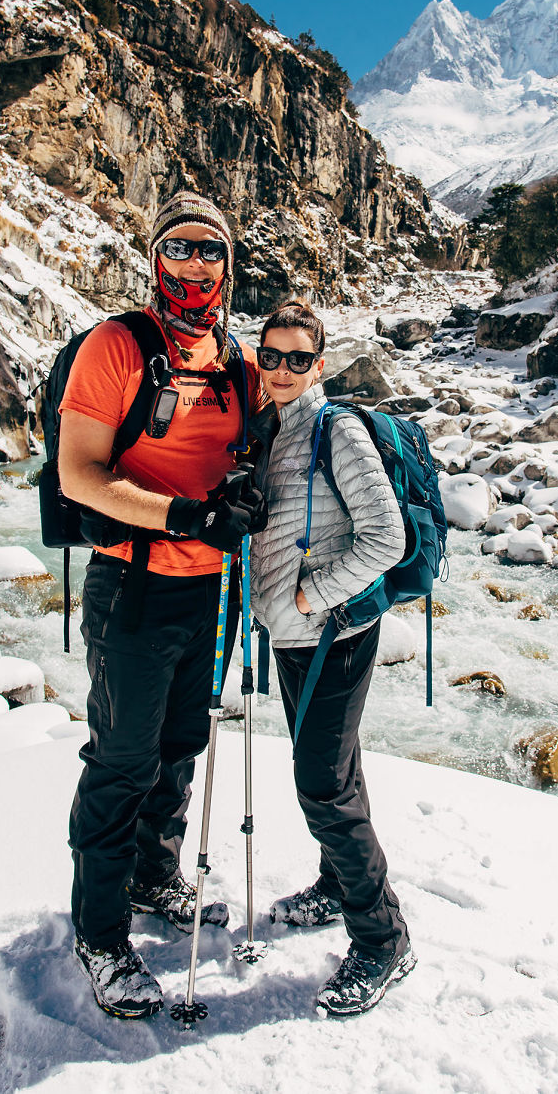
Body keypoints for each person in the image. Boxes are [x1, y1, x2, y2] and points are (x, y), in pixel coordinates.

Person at [58, 190, 263, 1019]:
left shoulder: (236, 360)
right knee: (122, 759)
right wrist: (183, 515)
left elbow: (254, 455)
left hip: (212, 592)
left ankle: (153, 875)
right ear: (155, 257)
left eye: (211, 249)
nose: (195, 263)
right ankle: (100, 932)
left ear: (228, 263)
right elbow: (80, 472)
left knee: (180, 745)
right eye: (179, 246)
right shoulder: (118, 346)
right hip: (134, 586)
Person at [249, 301, 415, 1018]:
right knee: (336, 771)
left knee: (321, 782)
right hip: (294, 635)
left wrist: (312, 595)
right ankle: (335, 882)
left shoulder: (335, 429)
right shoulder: (273, 429)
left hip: (335, 634)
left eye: (297, 358)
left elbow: (387, 537)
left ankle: (383, 938)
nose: (282, 369)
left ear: (318, 365)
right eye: (271, 356)